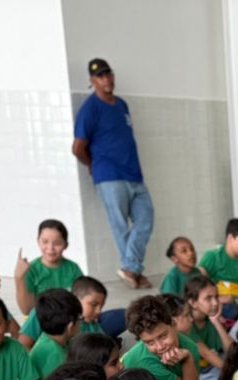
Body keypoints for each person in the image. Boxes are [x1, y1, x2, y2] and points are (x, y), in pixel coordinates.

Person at [73, 57, 155, 289]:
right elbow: (77, 147)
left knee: (146, 219)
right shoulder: (90, 109)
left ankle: (131, 268)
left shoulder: (121, 105)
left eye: (108, 74)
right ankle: (134, 272)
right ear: (92, 81)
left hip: (134, 175)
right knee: (120, 226)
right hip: (109, 176)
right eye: (100, 76)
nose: (106, 79)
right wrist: (92, 165)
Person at [121, 294, 202, 380]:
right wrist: (188, 361)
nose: (160, 347)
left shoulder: (190, 346)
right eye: (150, 342)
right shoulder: (146, 363)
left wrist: (188, 358)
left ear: (174, 325)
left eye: (163, 336)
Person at [200, 218, 238, 312]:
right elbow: (198, 285)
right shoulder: (212, 257)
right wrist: (218, 299)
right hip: (219, 304)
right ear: (230, 238)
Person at [26, 288, 81, 379]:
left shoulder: (47, 338)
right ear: (70, 326)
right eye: (80, 319)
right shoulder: (55, 354)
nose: (81, 323)